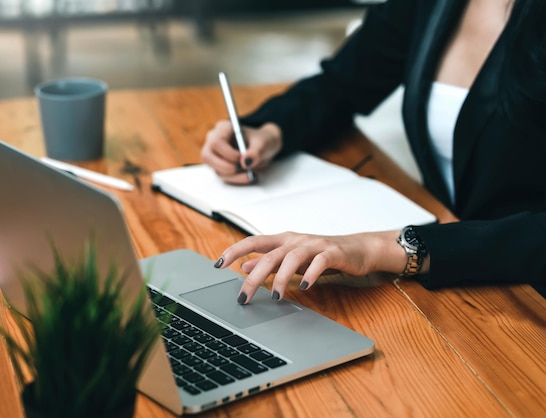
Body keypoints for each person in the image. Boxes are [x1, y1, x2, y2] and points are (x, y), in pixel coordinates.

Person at [201, 0, 546, 304]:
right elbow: (343, 84)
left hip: (527, 291)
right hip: (454, 271)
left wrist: (382, 247)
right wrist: (270, 132)